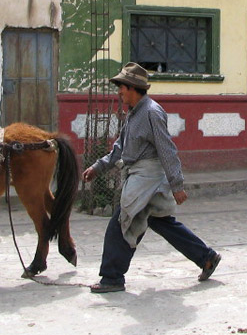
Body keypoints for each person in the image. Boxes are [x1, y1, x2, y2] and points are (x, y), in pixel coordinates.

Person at [83, 62, 222, 293]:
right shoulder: (134, 113)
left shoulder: (151, 113)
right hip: (140, 177)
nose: (119, 92)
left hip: (147, 179)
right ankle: (206, 257)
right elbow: (120, 148)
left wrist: (177, 185)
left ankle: (112, 277)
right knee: (160, 221)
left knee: (121, 222)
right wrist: (99, 167)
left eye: (121, 87)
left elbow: (167, 150)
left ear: (132, 88)